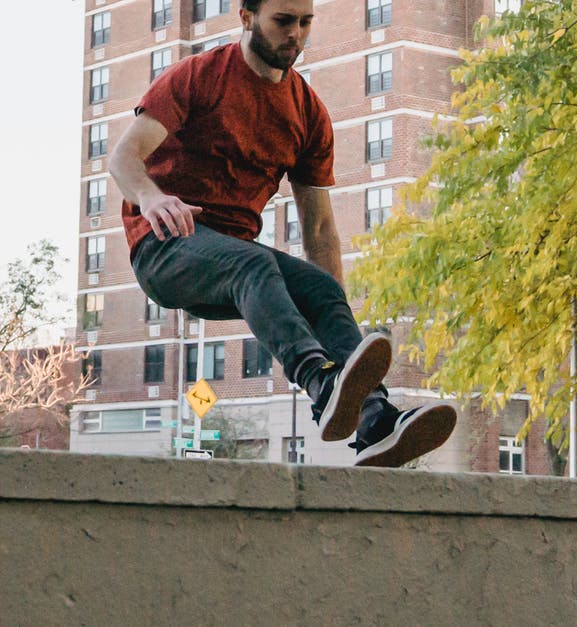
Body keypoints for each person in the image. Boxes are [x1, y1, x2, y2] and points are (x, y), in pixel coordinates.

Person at [109, 0, 456, 467]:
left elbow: (318, 226)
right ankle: (320, 381)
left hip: (231, 257)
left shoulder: (307, 112)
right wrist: (151, 199)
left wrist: (334, 314)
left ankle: (374, 421)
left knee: (320, 287)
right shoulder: (199, 76)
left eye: (305, 22)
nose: (295, 34)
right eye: (283, 21)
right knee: (254, 262)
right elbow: (124, 157)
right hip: (165, 248)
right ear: (247, 17)